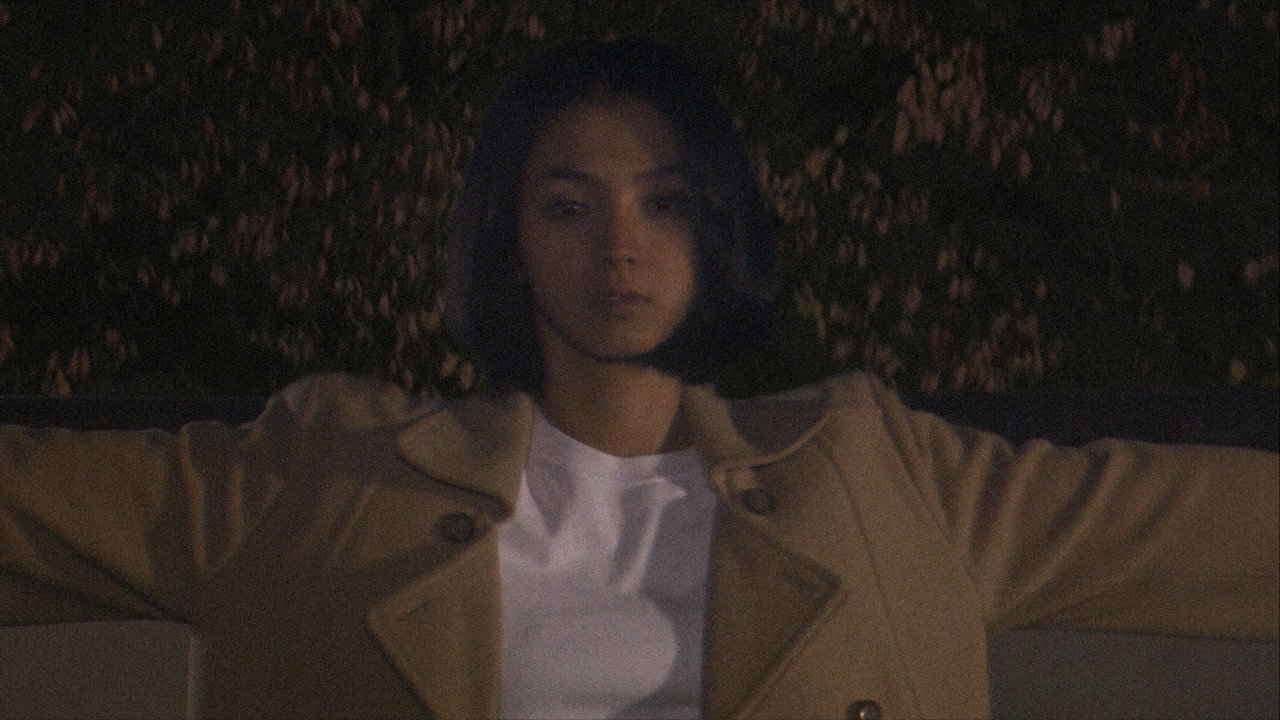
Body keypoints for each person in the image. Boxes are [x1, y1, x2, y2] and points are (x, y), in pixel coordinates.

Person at [1, 38, 1277, 720]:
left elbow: (1196, 525)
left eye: (662, 203)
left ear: (714, 228)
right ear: (508, 237)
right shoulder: (324, 472)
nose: (618, 245)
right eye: (568, 205)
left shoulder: (874, 471)